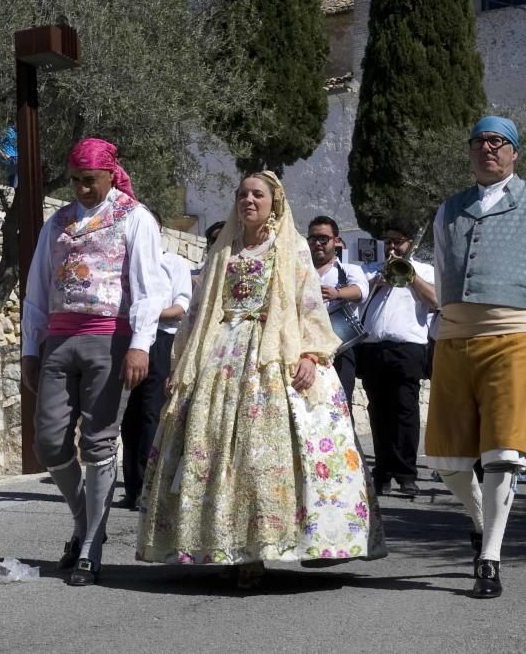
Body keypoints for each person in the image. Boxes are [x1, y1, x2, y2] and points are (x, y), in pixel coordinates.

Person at [136, 172, 385, 589]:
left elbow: (308, 304)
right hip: (221, 354)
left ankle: (268, 543)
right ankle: (227, 546)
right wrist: (184, 366)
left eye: (257, 194)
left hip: (274, 352)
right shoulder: (223, 252)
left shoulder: (292, 249)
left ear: (275, 202)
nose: (248, 201)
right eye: (241, 195)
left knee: (261, 452)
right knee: (214, 449)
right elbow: (199, 310)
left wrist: (309, 353)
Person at [21, 137, 165, 586]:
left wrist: (141, 344)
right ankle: (85, 521)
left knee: (99, 441)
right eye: (76, 181)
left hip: (110, 338)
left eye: (91, 180)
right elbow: (38, 288)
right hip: (60, 341)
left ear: (109, 175)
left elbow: (148, 286)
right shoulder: (57, 224)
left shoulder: (134, 218)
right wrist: (30, 347)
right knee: (48, 441)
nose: (82, 189)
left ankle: (90, 543)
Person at [426, 115, 524, 598]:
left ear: (514, 152)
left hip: (512, 335)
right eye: (480, 141)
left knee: (503, 452)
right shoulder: (449, 209)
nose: (488, 148)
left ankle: (489, 558)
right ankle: (480, 520)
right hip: (453, 336)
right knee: (447, 458)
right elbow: (443, 273)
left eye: (498, 141)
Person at [118, 211, 192, 510]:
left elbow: (181, 306)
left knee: (150, 414)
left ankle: (150, 489)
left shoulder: (173, 263)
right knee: (128, 419)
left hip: (159, 340)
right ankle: (132, 488)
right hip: (126, 338)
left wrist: (149, 313)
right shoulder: (123, 264)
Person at [359, 223, 436, 497]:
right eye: (387, 242)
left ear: (411, 242)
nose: (392, 247)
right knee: (378, 412)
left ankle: (406, 474)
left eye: (398, 242)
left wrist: (411, 275)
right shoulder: (372, 270)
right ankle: (382, 472)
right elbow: (358, 299)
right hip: (373, 346)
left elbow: (436, 300)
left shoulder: (425, 270)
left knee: (405, 411)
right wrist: (374, 282)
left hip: (408, 348)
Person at [307, 215, 369, 409]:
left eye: (323, 238)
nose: (317, 243)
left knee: (340, 405)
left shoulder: (349, 269)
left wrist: (337, 293)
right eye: (313, 239)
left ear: (336, 240)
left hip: (341, 348)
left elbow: (361, 291)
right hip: (307, 348)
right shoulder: (301, 271)